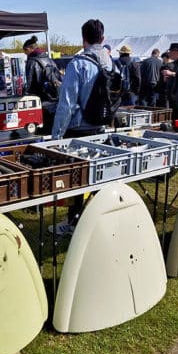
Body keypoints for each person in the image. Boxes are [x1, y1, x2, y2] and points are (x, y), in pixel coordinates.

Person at [50, 18, 112, 235]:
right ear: (102, 38)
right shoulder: (109, 62)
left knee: (77, 180)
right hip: (101, 126)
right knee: (99, 176)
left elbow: (66, 105)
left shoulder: (78, 64)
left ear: (83, 38)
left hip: (78, 129)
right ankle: (97, 219)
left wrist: (56, 137)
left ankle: (74, 223)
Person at [23, 35, 62, 102]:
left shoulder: (31, 61)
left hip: (39, 98)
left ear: (28, 49)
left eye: (25, 51)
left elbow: (29, 83)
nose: (25, 54)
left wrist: (24, 94)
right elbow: (59, 77)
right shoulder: (49, 59)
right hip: (55, 95)